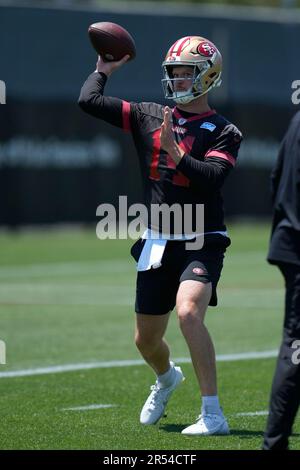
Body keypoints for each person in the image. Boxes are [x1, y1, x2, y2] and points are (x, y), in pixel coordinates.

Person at [78, 36, 242, 435]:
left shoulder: (224, 130)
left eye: (187, 72)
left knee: (188, 313)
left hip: (203, 238)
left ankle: (213, 414)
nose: (179, 79)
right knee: (146, 342)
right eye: (175, 72)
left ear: (208, 76)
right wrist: (105, 68)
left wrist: (176, 151)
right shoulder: (149, 114)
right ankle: (167, 378)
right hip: (157, 240)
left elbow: (212, 180)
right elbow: (89, 101)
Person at [263, 111, 300, 450]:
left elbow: (275, 178)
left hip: (289, 243)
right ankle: (274, 443)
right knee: (296, 347)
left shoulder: (296, 119)